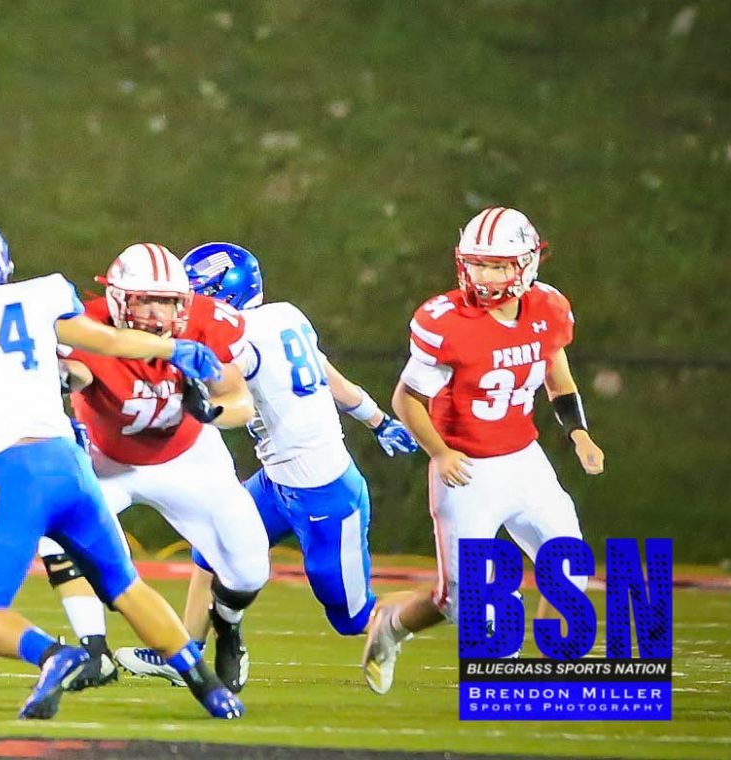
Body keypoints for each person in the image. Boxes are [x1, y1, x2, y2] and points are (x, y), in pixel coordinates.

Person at [0, 215, 242, 720]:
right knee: (126, 587)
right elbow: (110, 342)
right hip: (70, 465)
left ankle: (53, 654)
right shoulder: (37, 295)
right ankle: (211, 689)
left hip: (10, 473)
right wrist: (173, 347)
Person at [116, 242, 421, 688]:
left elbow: (221, 395)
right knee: (212, 543)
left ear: (225, 295)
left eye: (193, 296)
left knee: (354, 617)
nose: (184, 309)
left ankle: (453, 601)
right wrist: (376, 420)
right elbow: (326, 373)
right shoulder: (285, 316)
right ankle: (185, 654)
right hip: (278, 480)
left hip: (322, 491)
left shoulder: (240, 340)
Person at [362, 207, 606, 694]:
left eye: (497, 266)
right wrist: (440, 453)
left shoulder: (548, 307)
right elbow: (407, 399)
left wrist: (579, 433)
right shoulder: (447, 320)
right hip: (467, 469)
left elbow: (557, 375)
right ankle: (392, 625)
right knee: (458, 602)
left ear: (527, 264)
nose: (485, 276)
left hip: (524, 460)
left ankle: (549, 665)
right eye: (477, 264)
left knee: (569, 565)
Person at [37, 243, 268, 693]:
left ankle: (227, 625)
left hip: (189, 454)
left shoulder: (207, 322)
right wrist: (62, 381)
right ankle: (93, 649)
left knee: (250, 569)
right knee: (56, 530)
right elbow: (78, 373)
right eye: (147, 301)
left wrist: (212, 412)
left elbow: (241, 400)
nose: (160, 314)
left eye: (170, 302)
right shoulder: (86, 324)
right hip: (107, 459)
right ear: (119, 298)